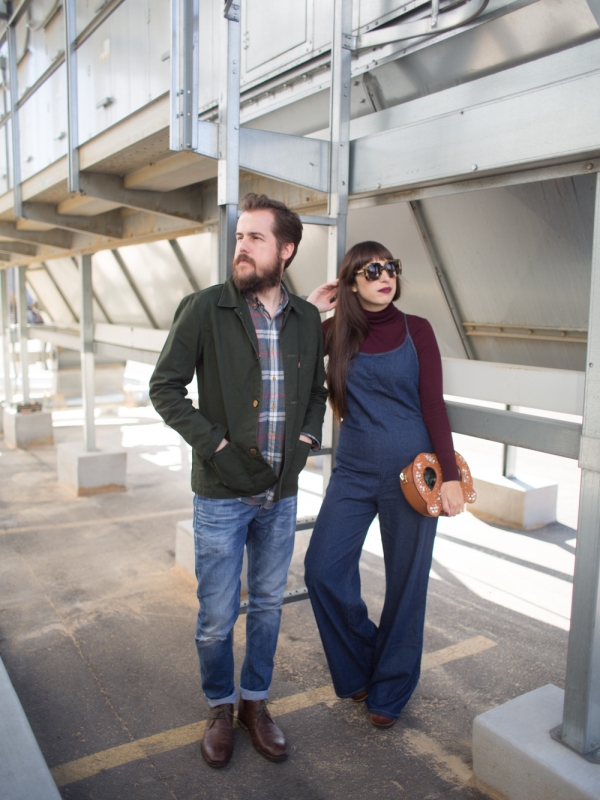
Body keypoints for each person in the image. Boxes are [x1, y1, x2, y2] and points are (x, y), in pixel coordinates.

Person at [149, 193, 327, 768]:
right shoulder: (204, 308)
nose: (241, 248)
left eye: (255, 238)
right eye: (239, 237)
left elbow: (317, 396)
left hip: (280, 493)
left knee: (270, 606)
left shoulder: (305, 319)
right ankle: (220, 707)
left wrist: (303, 445)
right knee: (217, 616)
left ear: (286, 249)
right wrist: (219, 447)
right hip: (222, 496)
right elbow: (165, 389)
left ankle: (255, 703)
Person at [304, 240, 464, 728]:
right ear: (351, 281)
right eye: (371, 270)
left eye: (390, 268)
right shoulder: (334, 332)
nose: (384, 276)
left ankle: (389, 692)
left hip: (413, 474)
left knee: (407, 585)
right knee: (321, 569)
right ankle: (364, 662)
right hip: (352, 470)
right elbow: (290, 366)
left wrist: (450, 478)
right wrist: (310, 312)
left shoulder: (418, 330)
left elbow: (433, 405)